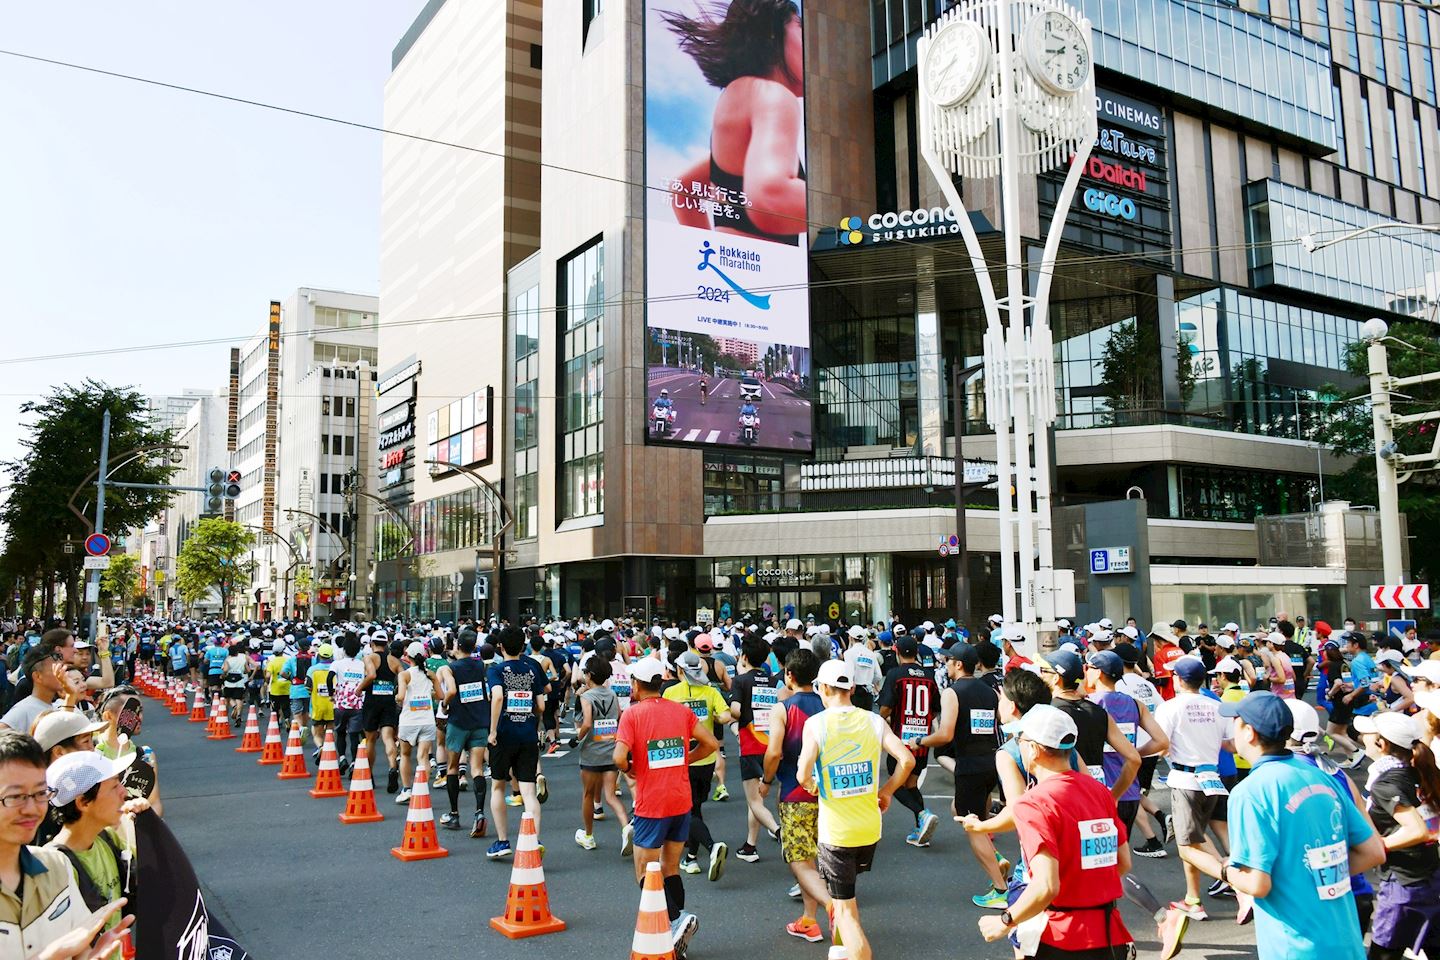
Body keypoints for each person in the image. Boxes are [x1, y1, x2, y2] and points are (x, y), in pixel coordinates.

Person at [1181, 691, 1386, 960]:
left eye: (1236, 722)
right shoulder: (1324, 775)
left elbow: (1257, 884)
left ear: (1249, 732)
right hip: (1346, 941)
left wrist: (1216, 866)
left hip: (1295, 945)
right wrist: (1310, 876)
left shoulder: (1251, 791)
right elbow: (1374, 852)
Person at [975, 705, 1137, 960]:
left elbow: (1046, 886)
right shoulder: (1100, 793)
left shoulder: (1033, 803)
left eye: (1020, 740)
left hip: (1059, 937)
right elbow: (1123, 862)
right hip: (1108, 933)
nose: (1018, 745)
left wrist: (1004, 921)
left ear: (1035, 749)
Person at [661, 0, 807, 244]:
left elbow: (683, 189)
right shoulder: (772, 95)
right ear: (772, 35)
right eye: (800, 26)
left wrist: (708, 252)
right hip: (766, 273)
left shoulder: (737, 95)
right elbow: (771, 196)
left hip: (736, 274)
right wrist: (846, 212)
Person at [798, 659, 914, 960]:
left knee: (844, 910)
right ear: (851, 687)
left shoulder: (817, 724)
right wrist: (886, 791)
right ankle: (846, 952)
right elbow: (907, 760)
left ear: (823, 688)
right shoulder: (874, 721)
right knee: (847, 899)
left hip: (836, 833)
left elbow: (802, 774)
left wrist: (815, 786)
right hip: (869, 829)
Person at [614, 657, 718, 959]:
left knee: (644, 871)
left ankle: (676, 921)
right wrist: (686, 759)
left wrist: (632, 766)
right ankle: (678, 932)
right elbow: (710, 743)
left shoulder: (633, 715)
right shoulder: (680, 711)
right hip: (680, 799)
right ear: (661, 682)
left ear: (636, 684)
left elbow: (620, 758)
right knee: (671, 868)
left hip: (652, 803)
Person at [0, 732, 133, 960]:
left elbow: (81, 946)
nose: (32, 808)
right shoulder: (63, 859)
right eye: (15, 797)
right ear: (82, 802)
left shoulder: (56, 866)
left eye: (41, 793)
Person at [922, 641, 1007, 906]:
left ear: (958, 664)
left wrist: (920, 742)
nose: (946, 665)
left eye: (948, 661)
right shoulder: (990, 691)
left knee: (972, 825)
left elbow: (946, 733)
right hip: (991, 762)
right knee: (959, 809)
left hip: (969, 765)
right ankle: (997, 859)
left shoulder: (952, 693)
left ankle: (1001, 890)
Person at [1353, 711, 1440, 960]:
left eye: (1368, 734)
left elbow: (1416, 829)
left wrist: (1377, 846)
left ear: (1382, 743)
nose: (1362, 737)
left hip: (1403, 884)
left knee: (1383, 955)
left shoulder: (1387, 783)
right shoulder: (1422, 771)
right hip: (1430, 875)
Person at [1154, 656, 1231, 920]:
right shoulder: (1216, 705)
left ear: (1178, 679)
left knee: (1188, 843)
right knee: (1195, 837)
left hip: (1184, 780)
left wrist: (1136, 753)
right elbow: (1229, 744)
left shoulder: (1169, 707)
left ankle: (1234, 879)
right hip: (1213, 778)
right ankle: (1192, 898)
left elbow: (1161, 744)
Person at [761, 648, 828, 943]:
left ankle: (832, 908)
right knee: (817, 856)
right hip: (828, 793)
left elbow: (774, 752)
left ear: (789, 674)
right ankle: (809, 919)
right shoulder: (828, 706)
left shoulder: (784, 708)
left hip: (795, 791)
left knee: (800, 859)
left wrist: (765, 780)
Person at [45, 751, 147, 936]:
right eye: (114, 785)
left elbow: (153, 866)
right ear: (83, 802)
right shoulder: (55, 865)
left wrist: (144, 822)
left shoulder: (107, 838)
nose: (124, 792)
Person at [663, 650, 732, 879]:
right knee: (696, 806)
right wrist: (711, 716)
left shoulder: (671, 692)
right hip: (707, 758)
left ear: (680, 670)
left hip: (681, 758)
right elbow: (725, 716)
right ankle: (691, 857)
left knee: (687, 809)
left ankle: (712, 846)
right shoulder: (711, 691)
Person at [486, 625, 549, 860]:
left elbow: (498, 696)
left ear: (500, 647)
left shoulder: (497, 670)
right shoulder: (531, 668)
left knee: (498, 786)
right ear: (523, 646)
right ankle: (534, 840)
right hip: (527, 734)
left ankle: (502, 841)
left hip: (504, 734)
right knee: (529, 791)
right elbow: (541, 705)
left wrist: (492, 731)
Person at [876, 635, 939, 847]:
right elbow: (936, 708)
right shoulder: (929, 676)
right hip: (921, 740)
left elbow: (884, 707)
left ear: (897, 652)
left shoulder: (895, 674)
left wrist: (880, 723)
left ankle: (923, 814)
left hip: (900, 740)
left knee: (897, 783)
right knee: (911, 783)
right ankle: (921, 827)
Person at [728, 633, 781, 863]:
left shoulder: (741, 681)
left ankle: (780, 832)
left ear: (744, 656)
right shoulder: (772, 682)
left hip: (750, 745)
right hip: (771, 746)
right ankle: (750, 846)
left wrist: (732, 719)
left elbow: (736, 710)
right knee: (757, 800)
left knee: (753, 801)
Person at [436, 630, 490, 838]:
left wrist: (444, 704)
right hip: (479, 722)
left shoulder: (451, 668)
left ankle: (454, 814)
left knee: (453, 767)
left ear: (458, 646)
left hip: (458, 723)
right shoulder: (480, 665)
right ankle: (479, 813)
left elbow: (451, 691)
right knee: (477, 768)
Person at [574, 654, 630, 851]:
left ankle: (588, 835)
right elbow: (620, 717)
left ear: (589, 675)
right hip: (611, 750)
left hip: (592, 752)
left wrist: (577, 738)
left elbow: (587, 722)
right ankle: (626, 828)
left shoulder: (586, 697)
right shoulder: (612, 694)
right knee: (611, 795)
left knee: (588, 794)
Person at [393, 642, 437, 806]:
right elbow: (440, 695)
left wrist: (396, 696)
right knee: (423, 756)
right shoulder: (430, 674)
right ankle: (422, 790)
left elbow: (401, 696)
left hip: (408, 720)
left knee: (405, 755)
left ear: (408, 656)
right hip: (427, 719)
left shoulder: (404, 675)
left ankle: (407, 790)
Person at [360, 634, 403, 795]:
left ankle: (369, 774)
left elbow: (371, 675)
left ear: (372, 643)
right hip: (388, 701)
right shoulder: (394, 660)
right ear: (387, 644)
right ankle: (392, 767)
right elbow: (403, 677)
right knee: (388, 736)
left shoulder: (369, 657)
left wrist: (359, 688)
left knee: (370, 739)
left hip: (372, 701)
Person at [263, 638, 292, 730]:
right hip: (287, 686)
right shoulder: (288, 660)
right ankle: (287, 719)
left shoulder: (272, 662)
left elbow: (267, 675)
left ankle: (276, 722)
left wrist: (267, 682)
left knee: (275, 707)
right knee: (286, 705)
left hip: (275, 688)